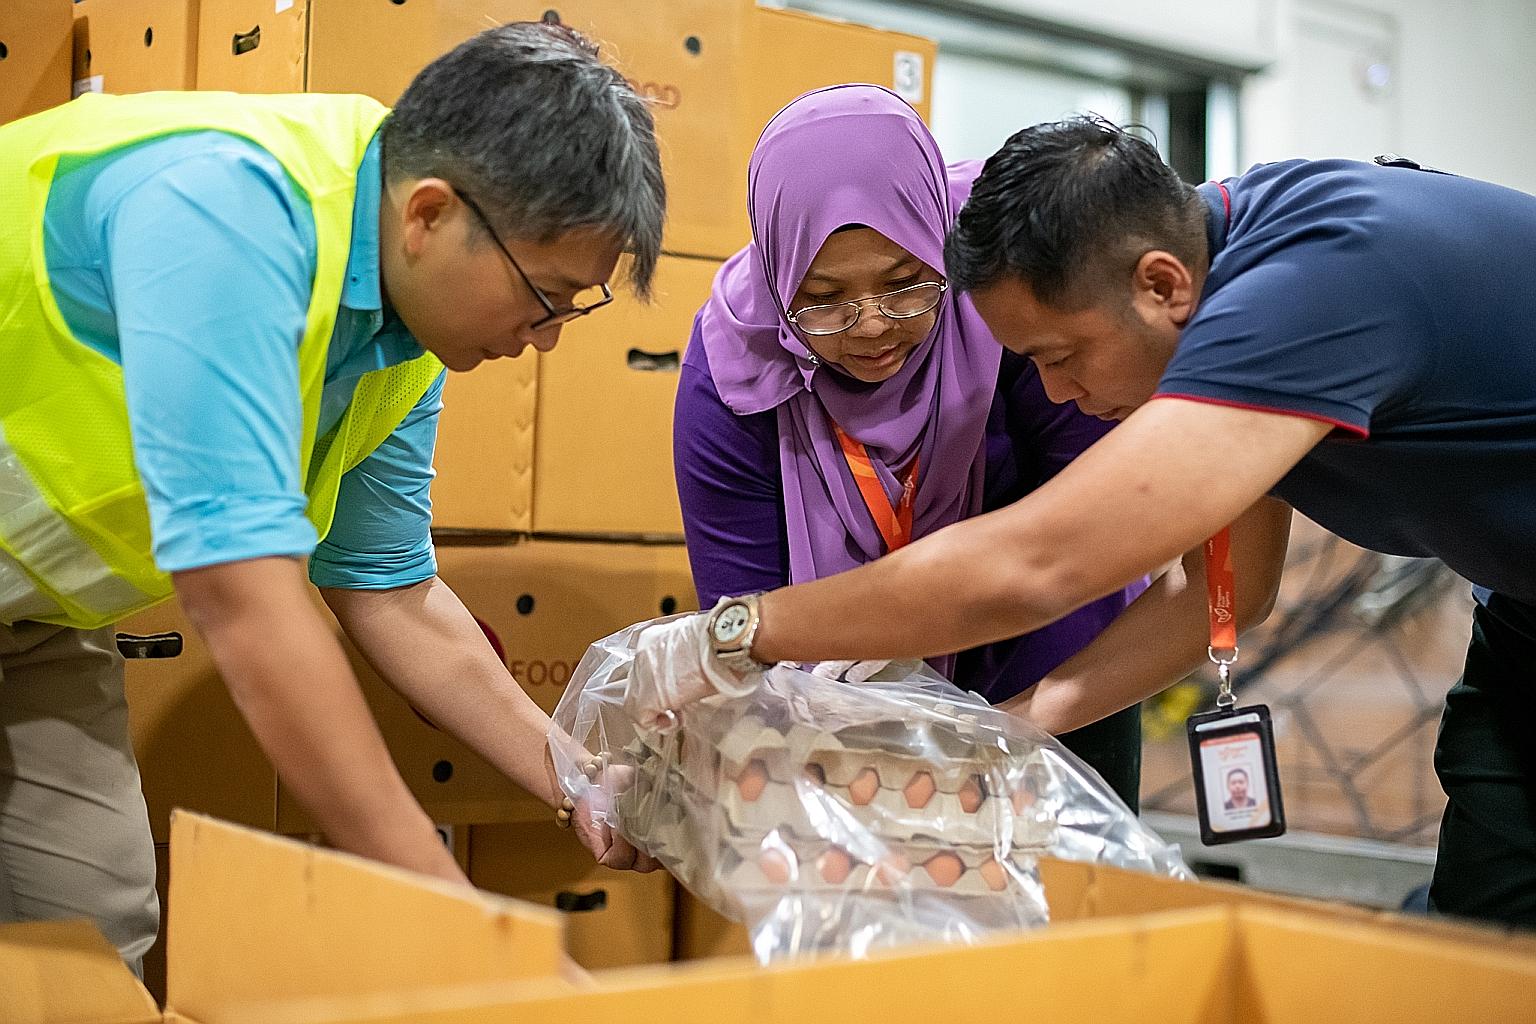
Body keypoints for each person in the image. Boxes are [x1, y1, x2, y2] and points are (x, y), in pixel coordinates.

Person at [633, 114, 1536, 931]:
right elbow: (1229, 592)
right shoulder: (1226, 271)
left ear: (1159, 285)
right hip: (1524, 613)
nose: (1055, 394)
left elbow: (1037, 566)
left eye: (1058, 358)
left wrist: (733, 632)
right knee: (1483, 935)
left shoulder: (1312, 290)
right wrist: (1012, 729)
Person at [0, 21, 662, 971]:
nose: (545, 337)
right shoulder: (226, 212)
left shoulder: (403, 344)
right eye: (546, 295)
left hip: (31, 622)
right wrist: (468, 931)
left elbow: (391, 593)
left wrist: (583, 781)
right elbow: (244, 602)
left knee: (92, 939)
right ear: (429, 215)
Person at [672, 85, 1145, 807]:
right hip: (833, 704)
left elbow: (1089, 534)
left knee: (1069, 900)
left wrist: (1002, 729)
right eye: (822, 299)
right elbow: (744, 606)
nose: (869, 327)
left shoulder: (1008, 296)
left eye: (906, 284)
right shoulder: (735, 369)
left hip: (1052, 658)